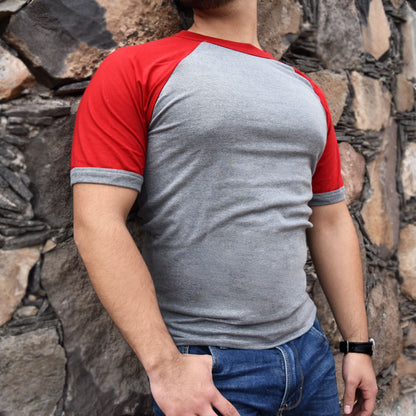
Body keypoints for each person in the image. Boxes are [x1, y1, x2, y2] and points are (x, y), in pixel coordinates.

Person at [70, 0, 378, 415]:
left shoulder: (306, 91)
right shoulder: (134, 68)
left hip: (311, 356)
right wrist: (165, 367)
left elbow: (330, 221)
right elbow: (97, 220)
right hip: (208, 372)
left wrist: (358, 346)